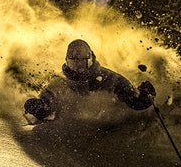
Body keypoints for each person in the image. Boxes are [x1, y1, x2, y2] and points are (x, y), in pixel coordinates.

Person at [24, 39, 156, 122]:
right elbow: (47, 110)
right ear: (67, 61)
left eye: (82, 59)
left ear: (90, 59)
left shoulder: (108, 79)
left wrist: (145, 96)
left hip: (107, 137)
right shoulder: (60, 83)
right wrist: (38, 107)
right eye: (73, 60)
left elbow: (135, 102)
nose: (78, 65)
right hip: (71, 140)